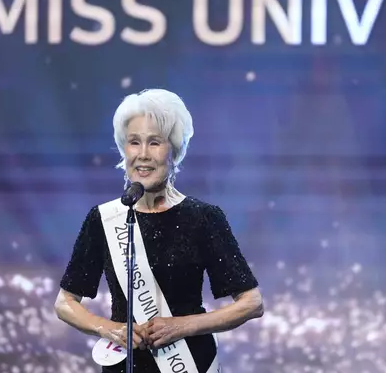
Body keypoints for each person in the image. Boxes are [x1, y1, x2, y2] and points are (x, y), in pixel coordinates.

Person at [54, 89, 263, 372]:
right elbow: (65, 303)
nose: (142, 155)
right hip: (125, 363)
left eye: (154, 143)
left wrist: (182, 325)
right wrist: (110, 329)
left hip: (190, 361)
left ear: (174, 150)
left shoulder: (204, 217)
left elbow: (251, 303)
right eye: (133, 142)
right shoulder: (103, 219)